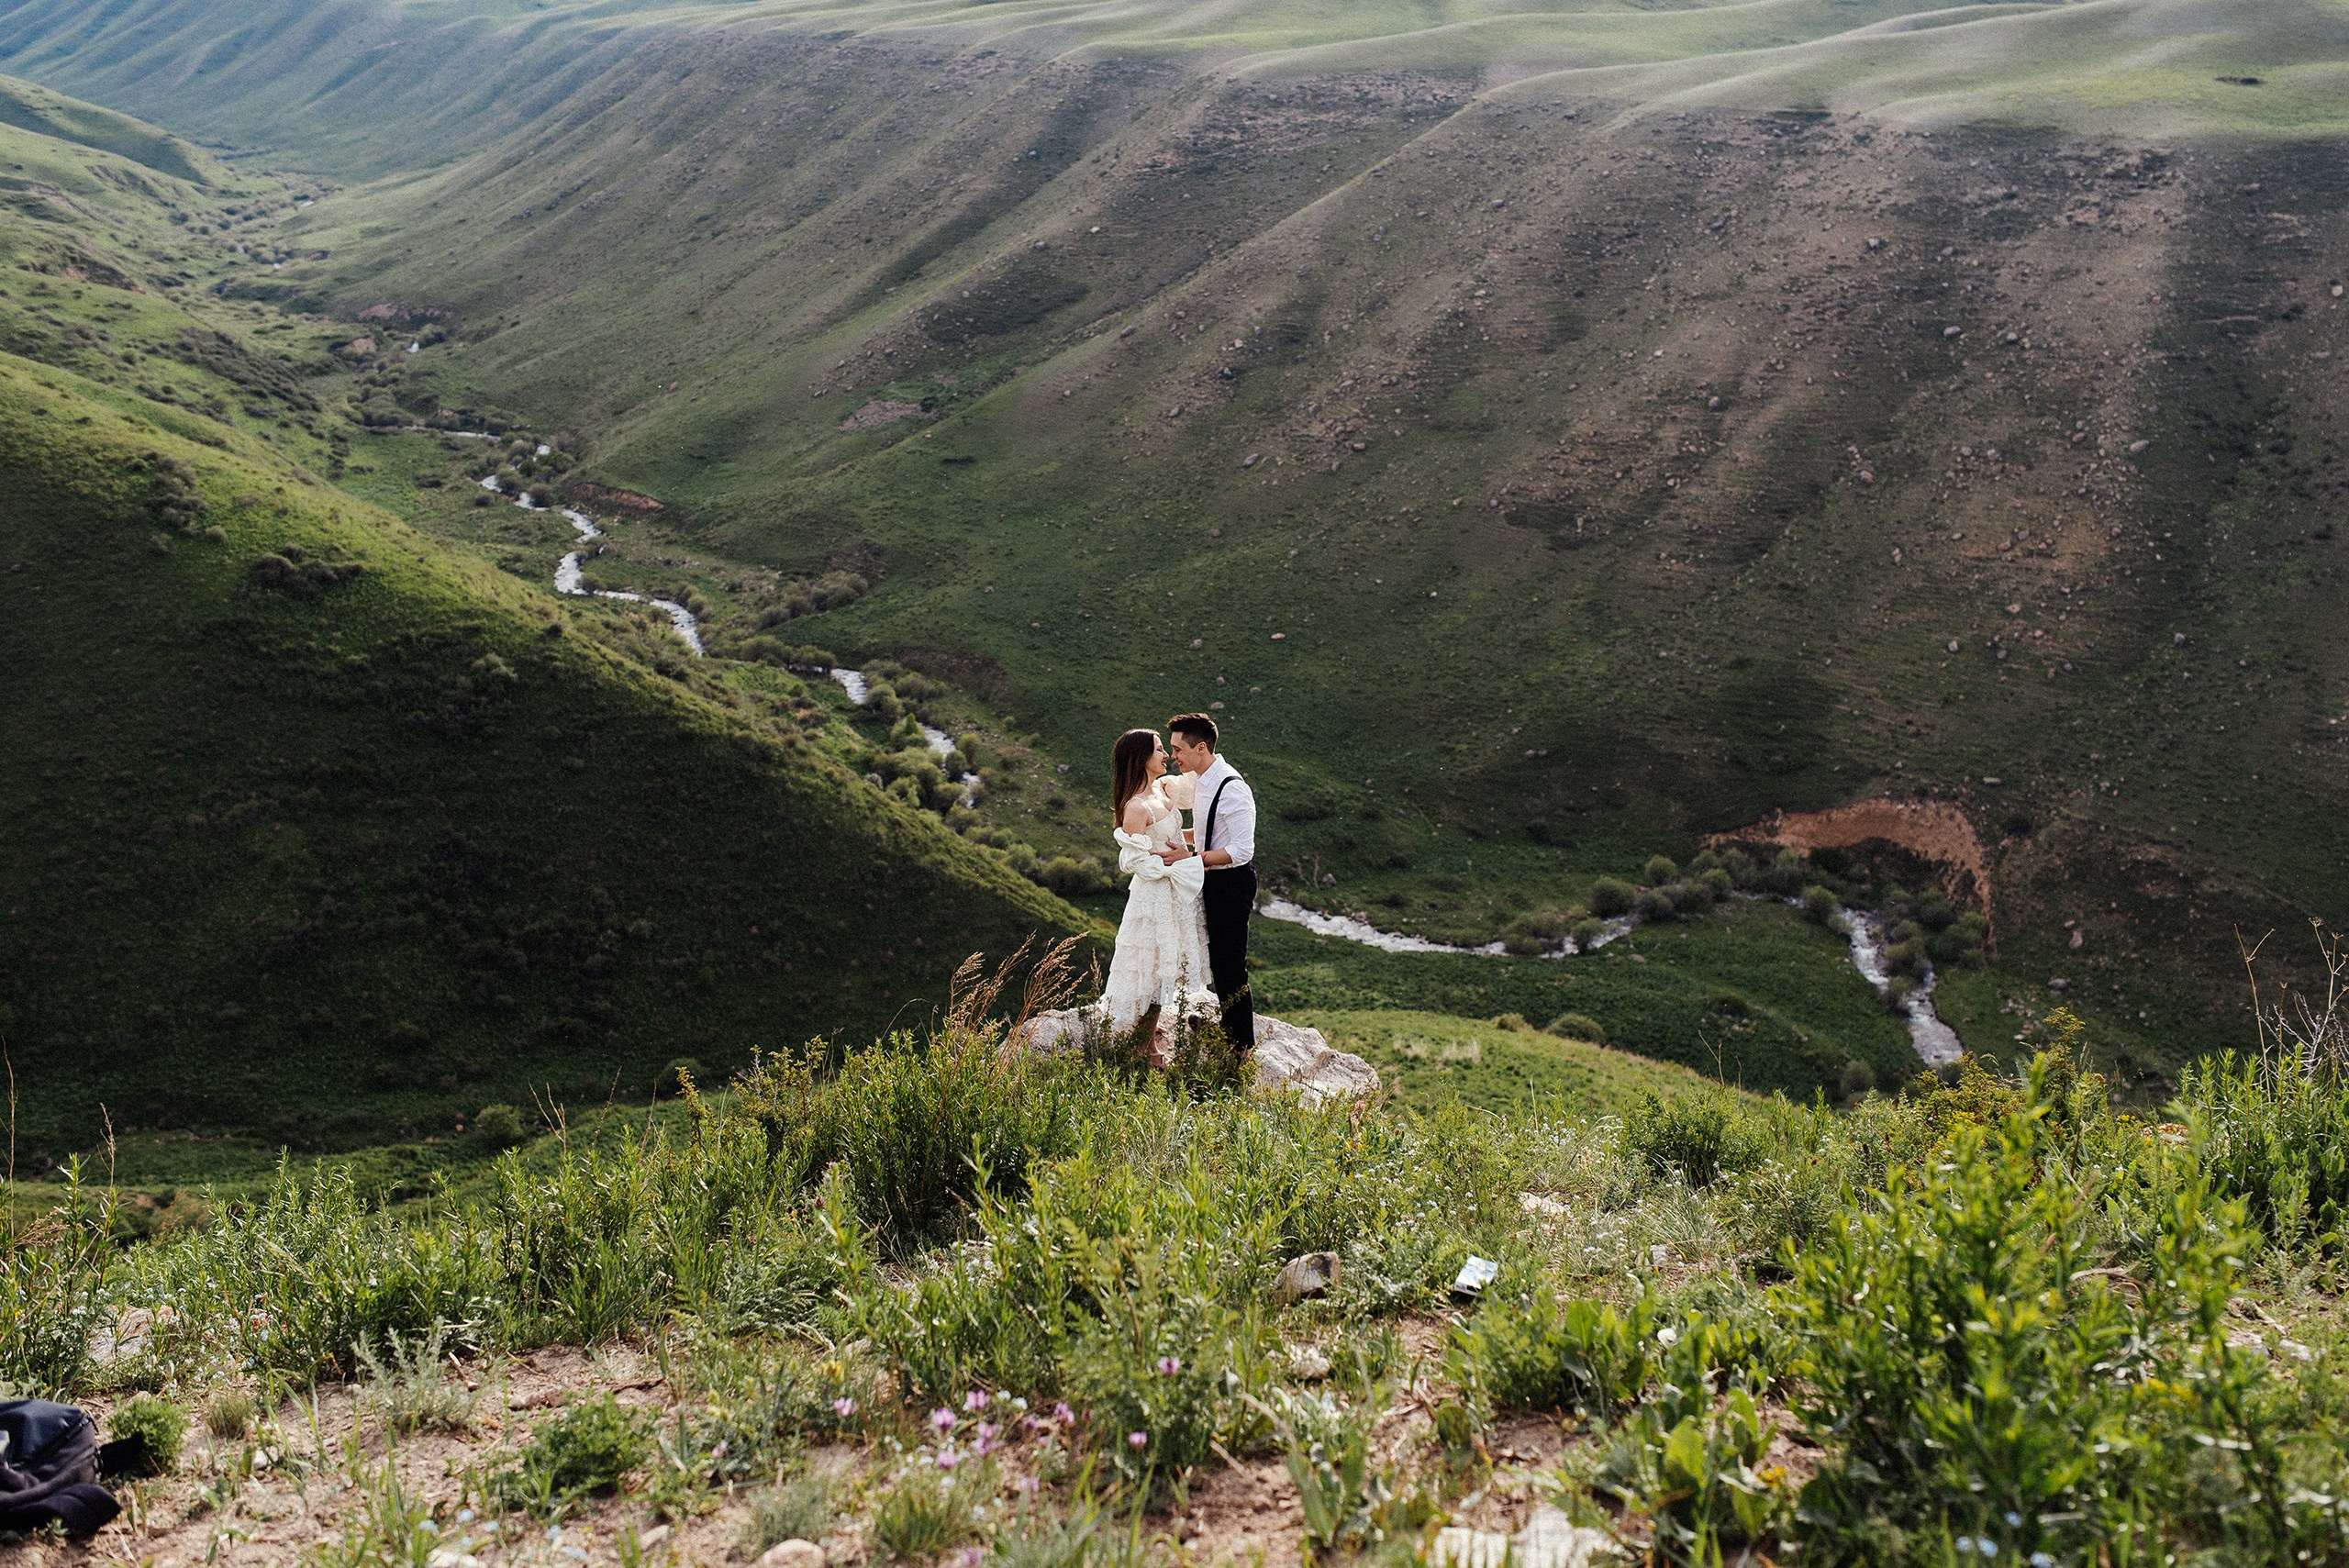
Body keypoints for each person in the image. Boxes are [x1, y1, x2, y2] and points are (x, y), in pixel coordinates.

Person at [1100, 728, 1215, 1055]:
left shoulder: (1164, 789)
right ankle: (1145, 1046)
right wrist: (1168, 864)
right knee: (1150, 967)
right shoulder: (1136, 808)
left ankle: (1147, 1031)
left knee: (1166, 963)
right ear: (1141, 758)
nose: (1167, 755)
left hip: (1176, 895)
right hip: (1154, 897)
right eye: (1160, 749)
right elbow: (1131, 859)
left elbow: (1194, 788)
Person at [1161, 713, 1256, 1057]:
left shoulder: (1233, 788)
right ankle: (1229, 1029)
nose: (1174, 757)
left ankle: (1242, 1044)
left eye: (1178, 749)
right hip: (1213, 879)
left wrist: (1191, 859)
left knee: (1231, 962)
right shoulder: (1202, 779)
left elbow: (1242, 851)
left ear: (1200, 748)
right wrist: (1172, 837)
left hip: (1232, 883)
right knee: (1219, 959)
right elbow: (1204, 832)